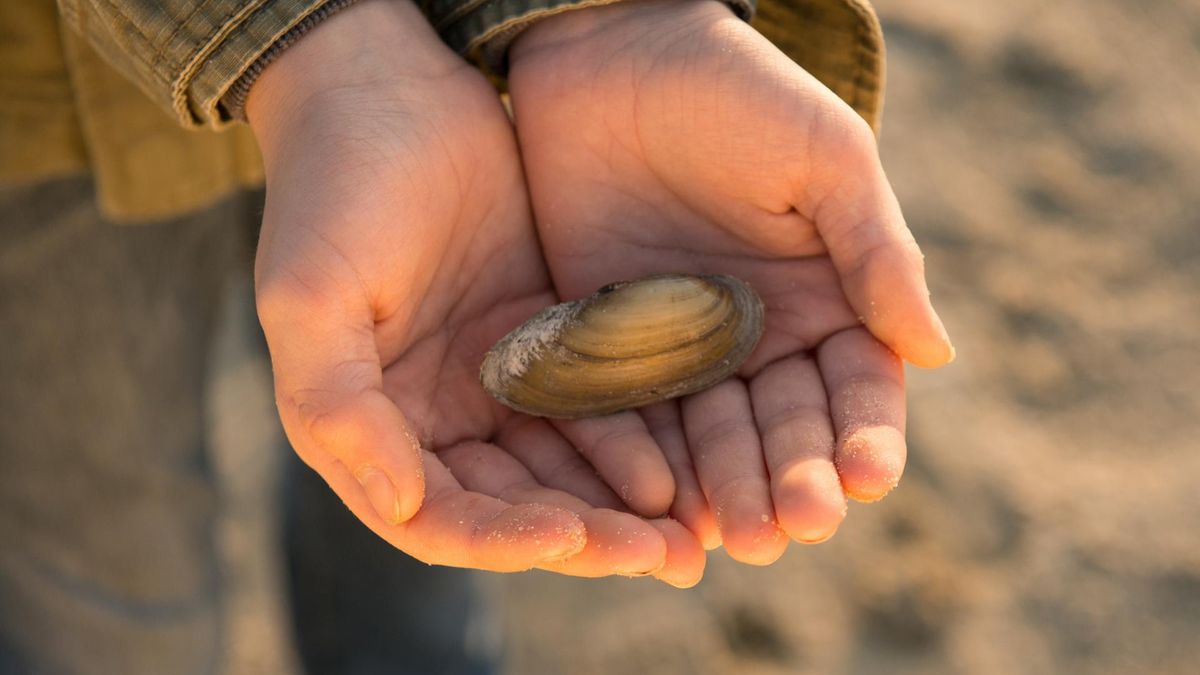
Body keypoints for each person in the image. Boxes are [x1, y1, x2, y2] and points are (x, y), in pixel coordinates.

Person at [0, 0, 954, 671]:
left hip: (445, 67)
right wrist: (301, 41)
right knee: (108, 585)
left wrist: (601, 10)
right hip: (36, 112)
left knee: (418, 463)